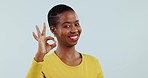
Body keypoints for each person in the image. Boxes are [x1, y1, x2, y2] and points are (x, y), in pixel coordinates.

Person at [26, 4, 104, 78]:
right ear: (53, 30)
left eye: (76, 24)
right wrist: (40, 55)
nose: (74, 30)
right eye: (67, 26)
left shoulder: (93, 63)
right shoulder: (42, 63)